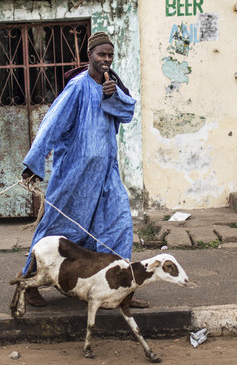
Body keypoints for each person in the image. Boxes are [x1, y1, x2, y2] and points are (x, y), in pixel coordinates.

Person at [19, 31, 148, 308]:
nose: (106, 59)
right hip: (75, 177)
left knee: (119, 226)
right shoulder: (77, 87)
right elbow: (52, 123)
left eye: (110, 55)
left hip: (106, 175)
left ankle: (121, 291)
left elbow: (127, 113)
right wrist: (34, 162)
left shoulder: (111, 85)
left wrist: (113, 95)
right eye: (101, 54)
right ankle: (28, 281)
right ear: (89, 55)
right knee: (57, 231)